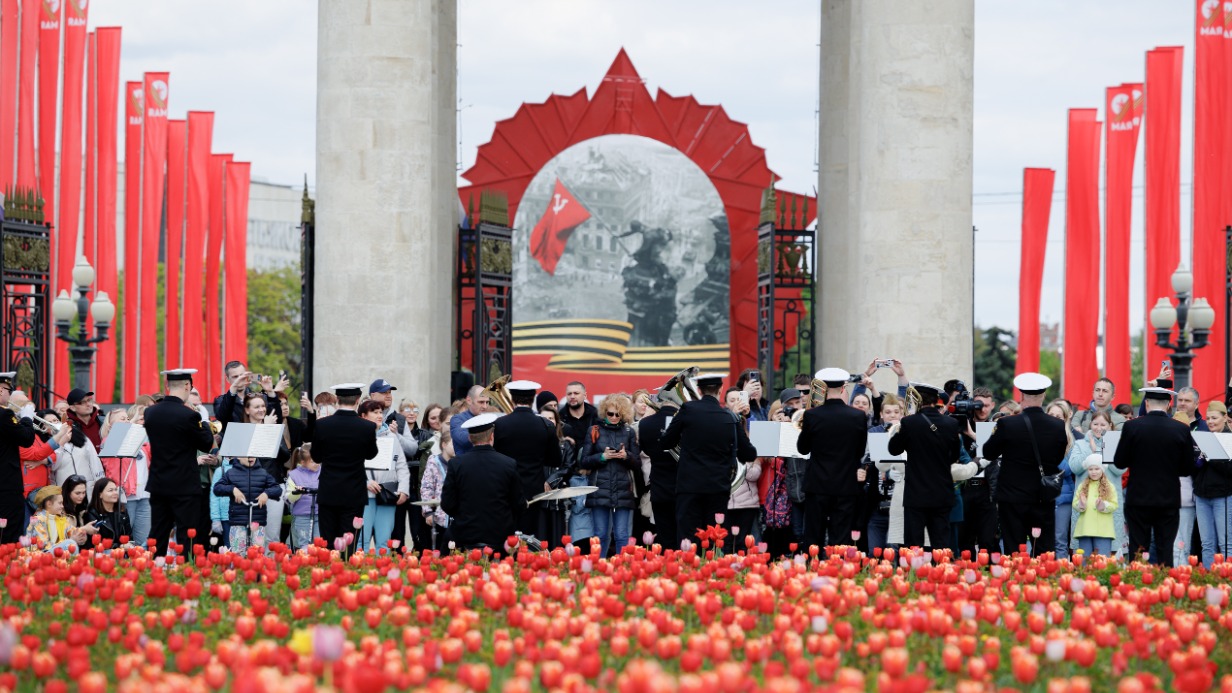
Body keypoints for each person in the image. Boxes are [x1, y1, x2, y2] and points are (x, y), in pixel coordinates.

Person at [663, 373, 759, 545]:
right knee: (713, 539)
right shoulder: (729, 417)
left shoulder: (687, 411)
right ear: (721, 390)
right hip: (717, 488)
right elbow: (749, 454)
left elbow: (665, 442)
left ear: (699, 390)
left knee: (687, 537)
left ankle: (687, 570)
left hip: (689, 487)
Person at [982, 373, 1069, 557]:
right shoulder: (1057, 426)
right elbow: (1058, 458)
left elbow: (988, 452)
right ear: (1043, 396)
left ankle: (1016, 585)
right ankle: (1043, 585)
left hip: (1012, 498)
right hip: (1042, 497)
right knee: (1044, 551)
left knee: (1014, 551)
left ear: (1021, 397)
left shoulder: (1007, 424)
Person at [886, 383, 976, 548]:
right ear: (937, 401)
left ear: (917, 400)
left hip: (915, 494)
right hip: (942, 494)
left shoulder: (908, 423)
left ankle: (914, 574)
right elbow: (954, 456)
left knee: (914, 545)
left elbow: (893, 449)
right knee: (940, 545)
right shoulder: (951, 424)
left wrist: (901, 428)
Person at [1114, 387, 1196, 567]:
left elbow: (1119, 461)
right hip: (1168, 498)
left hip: (1138, 497)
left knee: (1137, 548)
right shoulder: (1181, 429)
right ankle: (1165, 588)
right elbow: (1187, 468)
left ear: (1147, 403)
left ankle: (1137, 587)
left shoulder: (1132, 426)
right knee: (1165, 548)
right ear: (1168, 405)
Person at [146, 369, 220, 558]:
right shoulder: (189, 415)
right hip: (185, 484)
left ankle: (155, 569)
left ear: (167, 386)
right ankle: (186, 572)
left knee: (158, 532)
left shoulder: (150, 412)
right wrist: (202, 421)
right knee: (187, 533)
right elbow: (205, 442)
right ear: (188, 386)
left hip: (159, 482)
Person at [795, 368, 868, 549]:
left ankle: (812, 572)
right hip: (845, 483)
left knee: (813, 536)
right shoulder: (858, 416)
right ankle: (839, 574)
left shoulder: (812, 415)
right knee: (841, 537)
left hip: (818, 483)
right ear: (844, 387)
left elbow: (802, 448)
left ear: (823, 388)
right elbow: (859, 451)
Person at [440, 413, 524, 551]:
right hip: (500, 537)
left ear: (469, 438)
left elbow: (447, 504)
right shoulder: (508, 464)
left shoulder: (456, 464)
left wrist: (463, 515)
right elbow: (518, 504)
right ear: (492, 436)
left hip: (465, 535)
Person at [314, 383, 379, 555]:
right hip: (354, 492)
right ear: (358, 401)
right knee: (349, 545)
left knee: (328, 545)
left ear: (337, 400)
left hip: (329, 490)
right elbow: (372, 454)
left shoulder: (322, 425)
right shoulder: (367, 427)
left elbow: (316, 457)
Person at [493, 380, 561, 541]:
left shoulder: (500, 425)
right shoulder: (545, 425)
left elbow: (494, 455)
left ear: (512, 399)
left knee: (508, 538)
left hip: (505, 490)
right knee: (529, 538)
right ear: (533, 399)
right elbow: (555, 460)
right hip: (534, 492)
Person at [580, 393, 641, 557]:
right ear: (604, 412)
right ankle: (600, 569)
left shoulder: (628, 431)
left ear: (623, 414)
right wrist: (602, 457)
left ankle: (623, 571)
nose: (614, 417)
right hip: (599, 489)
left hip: (622, 489)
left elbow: (637, 463)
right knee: (600, 535)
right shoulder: (594, 430)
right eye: (610, 414)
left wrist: (625, 456)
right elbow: (584, 461)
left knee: (622, 535)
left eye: (618, 414)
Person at [1066, 411, 1126, 556]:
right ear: (1090, 425)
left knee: (1107, 553)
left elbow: (1120, 469)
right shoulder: (1080, 444)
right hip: (1085, 507)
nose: (1099, 428)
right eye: (1095, 424)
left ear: (1110, 426)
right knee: (1083, 553)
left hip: (1108, 504)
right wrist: (1090, 452)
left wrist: (1099, 449)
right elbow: (1074, 467)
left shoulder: (1116, 443)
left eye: (1103, 424)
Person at [357, 399, 410, 551]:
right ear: (363, 416)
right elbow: (351, 466)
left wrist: (403, 490)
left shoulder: (391, 436)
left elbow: (401, 466)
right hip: (365, 496)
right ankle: (360, 573)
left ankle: (382, 574)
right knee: (362, 542)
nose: (379, 415)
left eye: (381, 412)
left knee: (384, 542)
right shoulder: (357, 437)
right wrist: (365, 482)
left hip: (387, 495)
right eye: (374, 412)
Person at [212, 455, 282, 552]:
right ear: (239, 457)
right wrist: (232, 489)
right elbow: (217, 488)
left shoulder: (263, 473)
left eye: (253, 455)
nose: (251, 458)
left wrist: (266, 493)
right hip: (238, 523)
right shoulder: (231, 473)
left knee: (257, 556)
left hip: (257, 524)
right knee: (239, 557)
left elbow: (277, 489)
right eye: (247, 455)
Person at [639, 392, 680, 550]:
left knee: (665, 536)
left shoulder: (645, 424)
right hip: (682, 486)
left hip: (659, 486)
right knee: (682, 536)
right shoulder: (684, 421)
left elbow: (646, 451)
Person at [1195, 401, 1232, 568]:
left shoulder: (1230, 439)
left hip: (1223, 497)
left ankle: (1227, 579)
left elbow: (1229, 470)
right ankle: (1209, 580)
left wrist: (1212, 455)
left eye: (1214, 418)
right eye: (1208, 418)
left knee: (1226, 543)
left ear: (1225, 418)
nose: (1210, 422)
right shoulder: (1203, 437)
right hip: (1202, 496)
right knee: (1207, 543)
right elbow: (1194, 469)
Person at [1044, 398, 1079, 560]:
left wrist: (1051, 453)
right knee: (1041, 540)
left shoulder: (1072, 441)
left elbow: (1068, 468)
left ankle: (1061, 577)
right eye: (1051, 415)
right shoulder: (1038, 436)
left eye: (1059, 416)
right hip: (1040, 495)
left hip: (1063, 497)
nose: (1054, 419)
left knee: (1060, 540)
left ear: (1065, 419)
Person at [212, 361, 287, 435]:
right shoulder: (221, 401)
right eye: (235, 377)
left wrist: (270, 392)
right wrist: (234, 387)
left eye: (242, 376)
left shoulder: (259, 398)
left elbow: (277, 420)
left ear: (247, 376)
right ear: (228, 379)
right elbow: (221, 419)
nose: (239, 379)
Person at [1072, 454, 1119, 556]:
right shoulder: (1082, 486)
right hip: (1085, 529)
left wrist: (1103, 506)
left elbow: (1114, 504)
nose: (1093, 472)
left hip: (1103, 530)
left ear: (1102, 469)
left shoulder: (1110, 486)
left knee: (1102, 561)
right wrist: (1081, 504)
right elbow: (1075, 503)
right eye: (1091, 469)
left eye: (1097, 469)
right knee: (1084, 561)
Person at [25, 485, 91, 551]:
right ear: (49, 504)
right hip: (41, 558)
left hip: (58, 556)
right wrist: (70, 541)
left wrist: (82, 534)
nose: (62, 506)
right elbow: (45, 547)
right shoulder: (37, 520)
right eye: (60, 503)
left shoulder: (59, 519)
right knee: (71, 544)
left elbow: (72, 531)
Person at [419, 426, 454, 548]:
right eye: (453, 443)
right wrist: (427, 511)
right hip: (439, 516)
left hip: (456, 517)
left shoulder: (460, 462)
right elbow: (426, 487)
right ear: (444, 445)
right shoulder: (434, 461)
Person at [287, 444, 321, 550]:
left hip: (320, 514)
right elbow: (289, 498)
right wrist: (297, 493)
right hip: (302, 516)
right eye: (312, 461)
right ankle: (305, 562)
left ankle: (318, 565)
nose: (316, 464)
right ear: (302, 463)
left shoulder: (324, 471)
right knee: (304, 544)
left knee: (319, 543)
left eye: (318, 460)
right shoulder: (294, 475)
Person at [85, 478, 132, 546]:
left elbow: (129, 536)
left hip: (123, 551)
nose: (115, 493)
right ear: (100, 494)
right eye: (110, 490)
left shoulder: (122, 511)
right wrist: (120, 546)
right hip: (103, 552)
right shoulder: (92, 513)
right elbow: (95, 542)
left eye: (116, 490)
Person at [449, 386, 490, 456]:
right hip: (466, 464)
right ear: (469, 400)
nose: (485, 406)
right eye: (481, 402)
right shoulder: (457, 419)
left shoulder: (489, 418)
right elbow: (463, 439)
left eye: (487, 402)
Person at [558, 381, 598, 448]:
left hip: (591, 457)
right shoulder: (559, 417)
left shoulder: (595, 415)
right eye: (569, 394)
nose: (572, 396)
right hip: (569, 457)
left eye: (576, 393)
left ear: (585, 396)